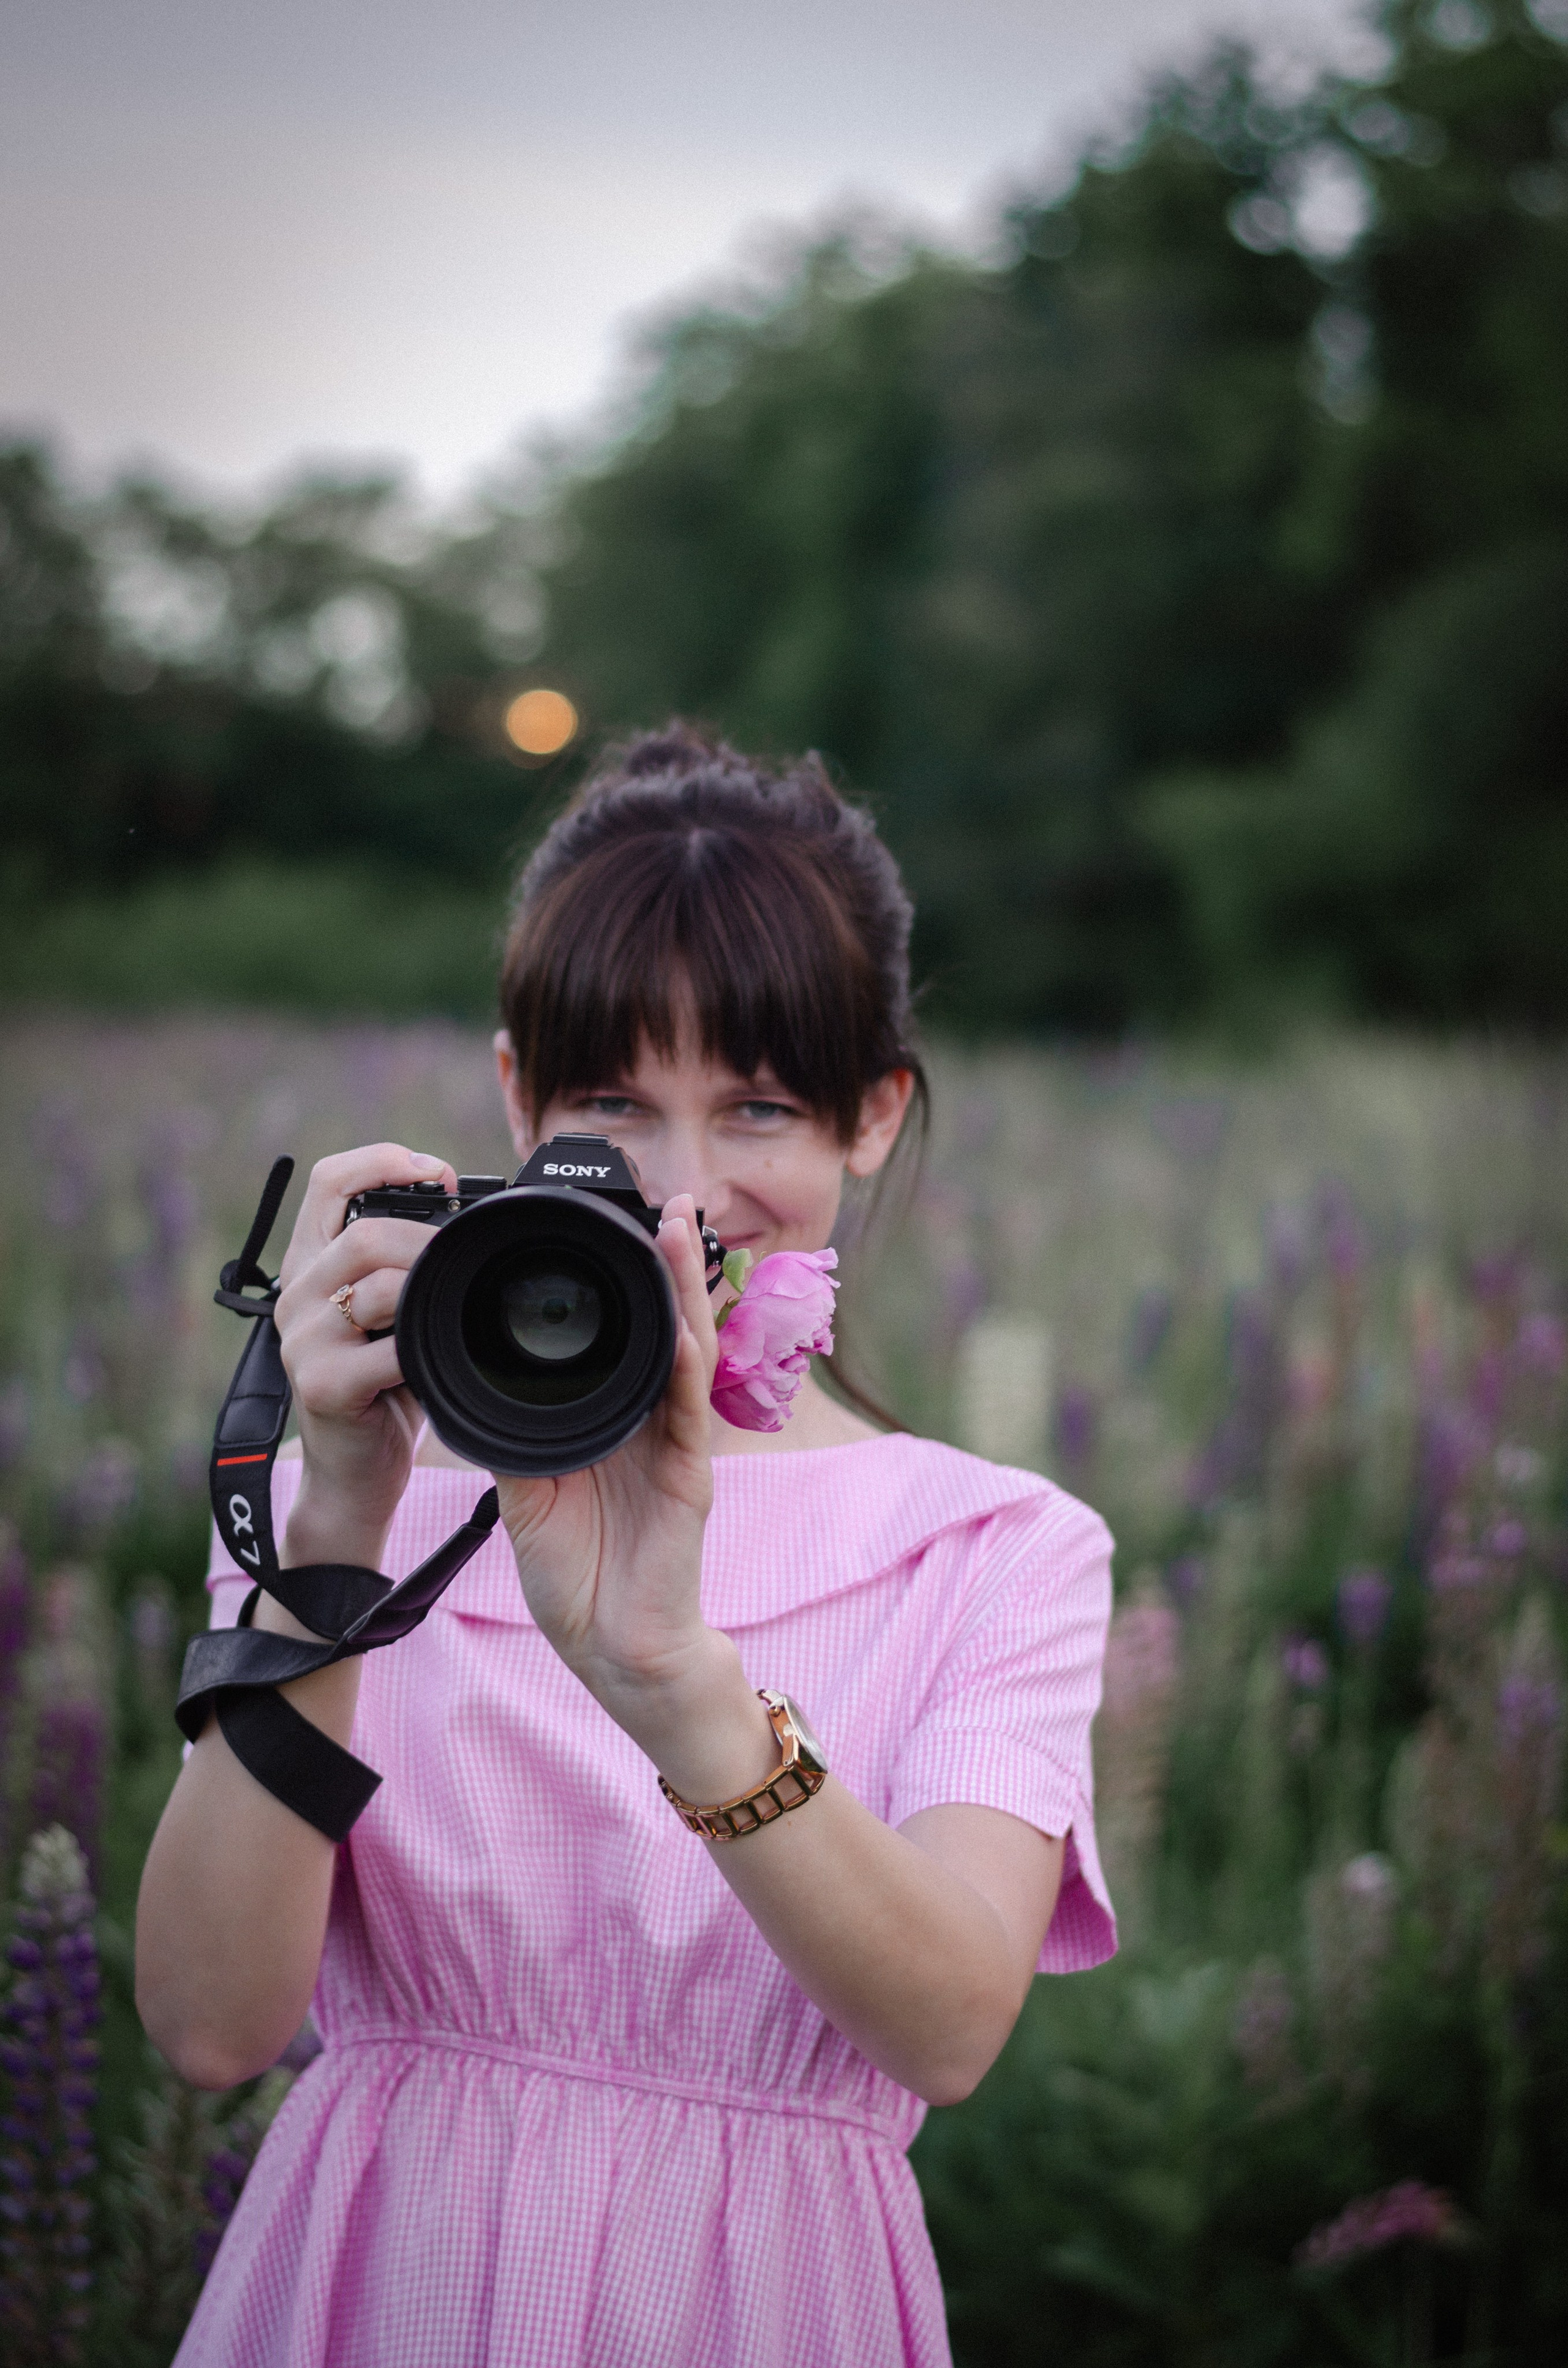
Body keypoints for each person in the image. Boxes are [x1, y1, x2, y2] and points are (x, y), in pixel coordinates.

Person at [137, 723, 1115, 2368]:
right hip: (379, 2290)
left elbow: (949, 2028)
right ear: (517, 1094)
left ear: (873, 1114)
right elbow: (207, 2023)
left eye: (759, 1106)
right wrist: (339, 1525)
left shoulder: (994, 1548)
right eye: (613, 1104)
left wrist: (674, 1678)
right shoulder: (355, 1492)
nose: (681, 1192)